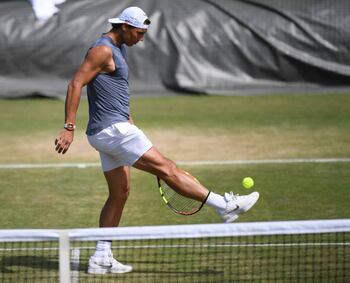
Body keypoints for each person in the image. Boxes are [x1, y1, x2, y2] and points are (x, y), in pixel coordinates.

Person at [54, 6, 259, 275]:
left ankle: (101, 257)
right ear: (124, 27)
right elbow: (75, 84)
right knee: (168, 169)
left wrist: (126, 116)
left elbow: (110, 90)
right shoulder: (102, 49)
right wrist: (69, 127)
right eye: (139, 33)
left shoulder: (119, 47)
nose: (142, 38)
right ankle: (225, 206)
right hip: (113, 132)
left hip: (109, 130)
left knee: (120, 193)